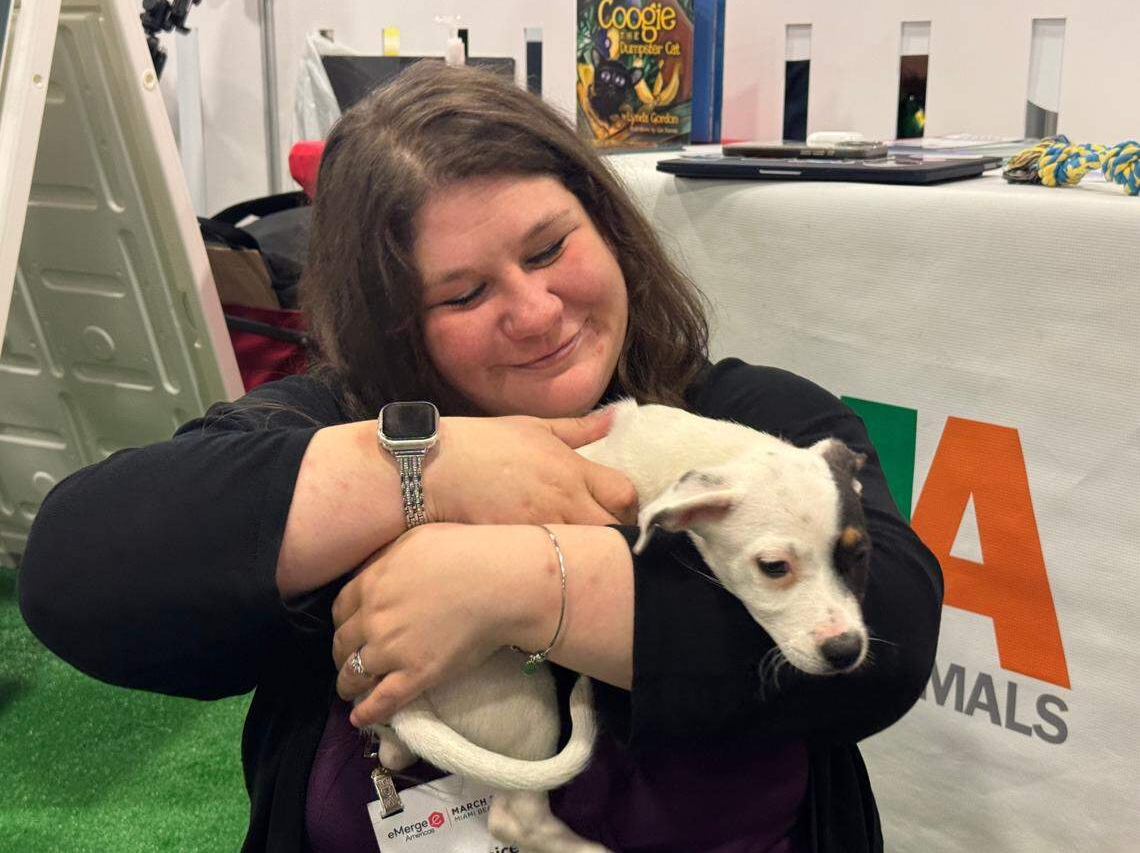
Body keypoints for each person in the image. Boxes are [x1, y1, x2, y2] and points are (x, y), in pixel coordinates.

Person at [18, 61, 942, 852]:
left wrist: (526, 584)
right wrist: (421, 470)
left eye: (549, 248)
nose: (535, 313)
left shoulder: (747, 415)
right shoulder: (336, 418)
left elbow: (889, 638)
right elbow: (78, 567)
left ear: (608, 228)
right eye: (461, 295)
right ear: (392, 324)